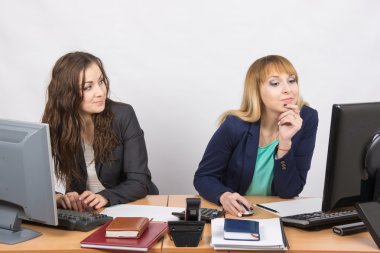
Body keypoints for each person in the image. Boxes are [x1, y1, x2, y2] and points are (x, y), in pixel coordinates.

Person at [193, 55, 318, 217]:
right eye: (275, 83)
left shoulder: (306, 119)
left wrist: (285, 142)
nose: (288, 89)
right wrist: (224, 196)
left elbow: (290, 191)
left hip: (277, 214)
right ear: (256, 91)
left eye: (292, 80)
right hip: (237, 213)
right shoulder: (235, 125)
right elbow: (204, 177)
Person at [42, 51, 158, 211]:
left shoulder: (123, 115)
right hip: (88, 212)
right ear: (67, 93)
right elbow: (34, 179)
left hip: (130, 205)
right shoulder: (57, 124)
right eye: (88, 87)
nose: (101, 92)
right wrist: (58, 197)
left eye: (101, 81)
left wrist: (104, 196)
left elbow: (139, 181)